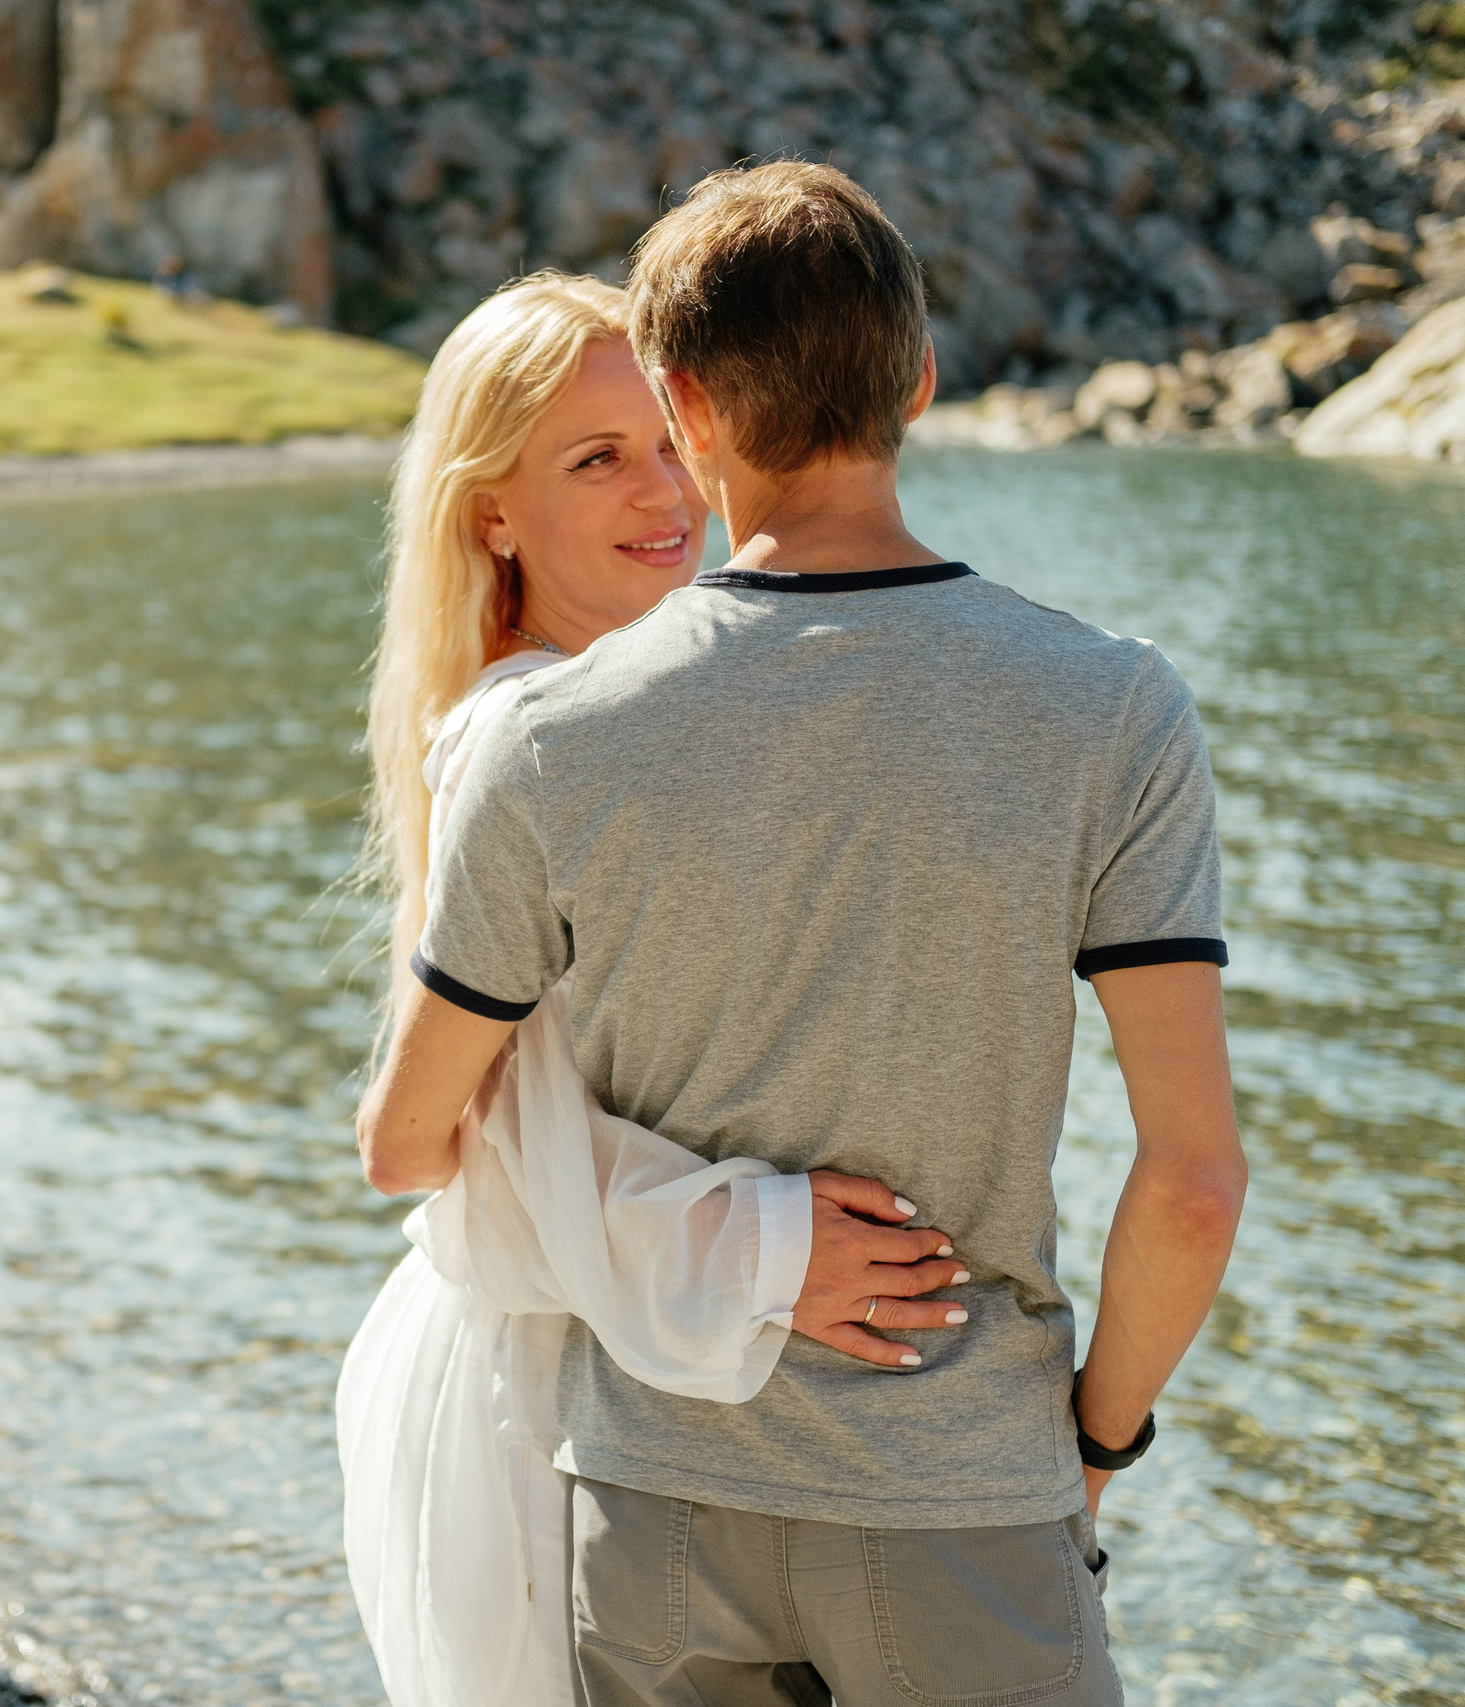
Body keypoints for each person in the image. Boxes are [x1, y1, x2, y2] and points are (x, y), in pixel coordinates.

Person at [359, 163, 1249, 1706]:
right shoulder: (1115, 705)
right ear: (918, 376)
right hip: (957, 1485)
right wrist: (1096, 1436)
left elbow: (411, 1130)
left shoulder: (551, 739)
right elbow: (1191, 1179)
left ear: (692, 413)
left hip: (647, 1502)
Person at [337, 273, 965, 1705]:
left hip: (633, 1378)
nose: (661, 490)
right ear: (491, 511)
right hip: (547, 1405)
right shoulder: (521, 728)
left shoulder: (649, 707)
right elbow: (442, 1145)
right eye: (593, 457)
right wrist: (765, 1239)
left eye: (670, 438)